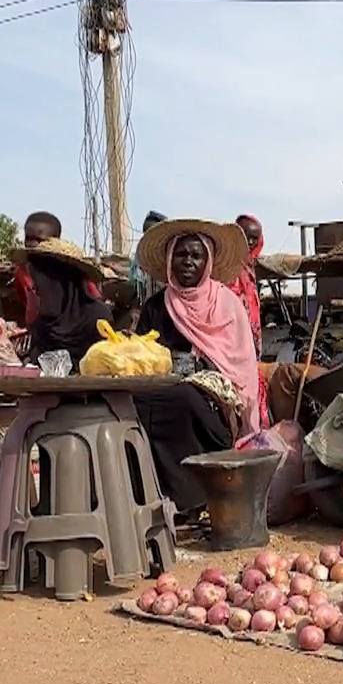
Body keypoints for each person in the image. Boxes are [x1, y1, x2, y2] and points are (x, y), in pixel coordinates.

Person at [131, 218, 263, 514]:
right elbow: (141, 356)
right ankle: (151, 496)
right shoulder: (155, 307)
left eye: (196, 255)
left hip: (216, 405)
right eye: (181, 255)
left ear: (208, 261)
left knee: (184, 398)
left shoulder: (227, 304)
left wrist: (197, 370)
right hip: (159, 392)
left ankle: (192, 499)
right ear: (169, 260)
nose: (187, 262)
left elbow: (240, 369)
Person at [13, 235, 112, 364]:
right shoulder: (42, 325)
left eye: (43, 278)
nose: (36, 288)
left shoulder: (98, 321)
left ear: (63, 280)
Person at [231, 214, 266, 350]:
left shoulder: (249, 267)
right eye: (246, 237)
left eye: (254, 238)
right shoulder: (225, 265)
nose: (250, 242)